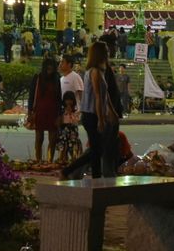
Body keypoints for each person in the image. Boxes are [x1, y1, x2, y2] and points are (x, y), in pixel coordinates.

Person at [64, 40, 122, 179]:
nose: (108, 52)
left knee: (97, 150)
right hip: (91, 115)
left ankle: (96, 177)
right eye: (106, 50)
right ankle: (68, 171)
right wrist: (101, 119)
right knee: (97, 149)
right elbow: (98, 97)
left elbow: (105, 94)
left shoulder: (101, 70)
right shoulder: (94, 72)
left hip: (94, 114)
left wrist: (112, 112)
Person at [27, 55, 62, 161]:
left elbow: (59, 97)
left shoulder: (57, 78)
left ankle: (49, 161)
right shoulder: (37, 77)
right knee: (39, 139)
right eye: (47, 66)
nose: (49, 68)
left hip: (53, 112)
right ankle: (38, 161)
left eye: (51, 66)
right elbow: (31, 96)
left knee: (53, 139)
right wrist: (29, 112)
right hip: (39, 111)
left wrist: (59, 115)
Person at [58, 91, 82, 167]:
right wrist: (66, 112)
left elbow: (76, 122)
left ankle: (74, 164)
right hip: (63, 134)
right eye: (67, 100)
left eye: (71, 100)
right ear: (64, 101)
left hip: (73, 134)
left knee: (74, 150)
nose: (69, 102)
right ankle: (63, 162)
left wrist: (71, 113)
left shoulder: (76, 112)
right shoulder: (61, 111)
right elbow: (60, 122)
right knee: (63, 151)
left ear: (73, 101)